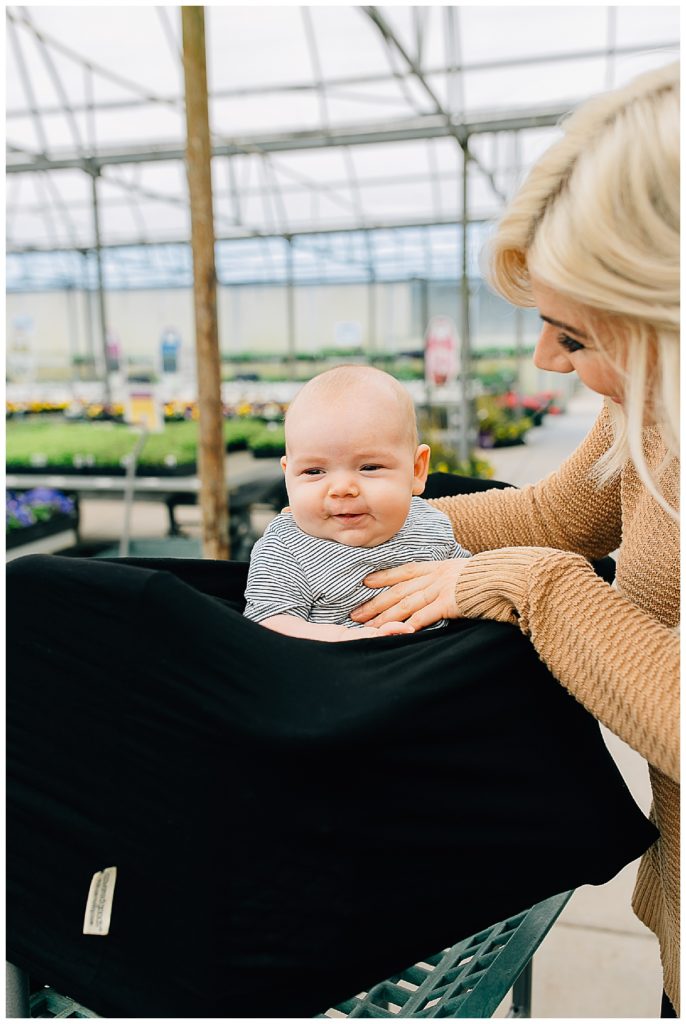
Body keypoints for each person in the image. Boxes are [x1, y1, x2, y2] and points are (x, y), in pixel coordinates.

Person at [350, 62, 680, 1015]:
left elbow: (544, 560)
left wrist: (536, 588)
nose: (545, 359)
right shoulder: (653, 406)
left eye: (575, 334)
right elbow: (555, 516)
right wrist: (370, 515)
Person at [243, 365, 470, 641]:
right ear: (288, 477)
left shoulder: (429, 523)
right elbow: (267, 623)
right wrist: (346, 639)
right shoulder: (286, 547)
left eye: (369, 467)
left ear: (417, 470)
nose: (341, 489)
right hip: (341, 669)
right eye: (314, 472)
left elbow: (467, 584)